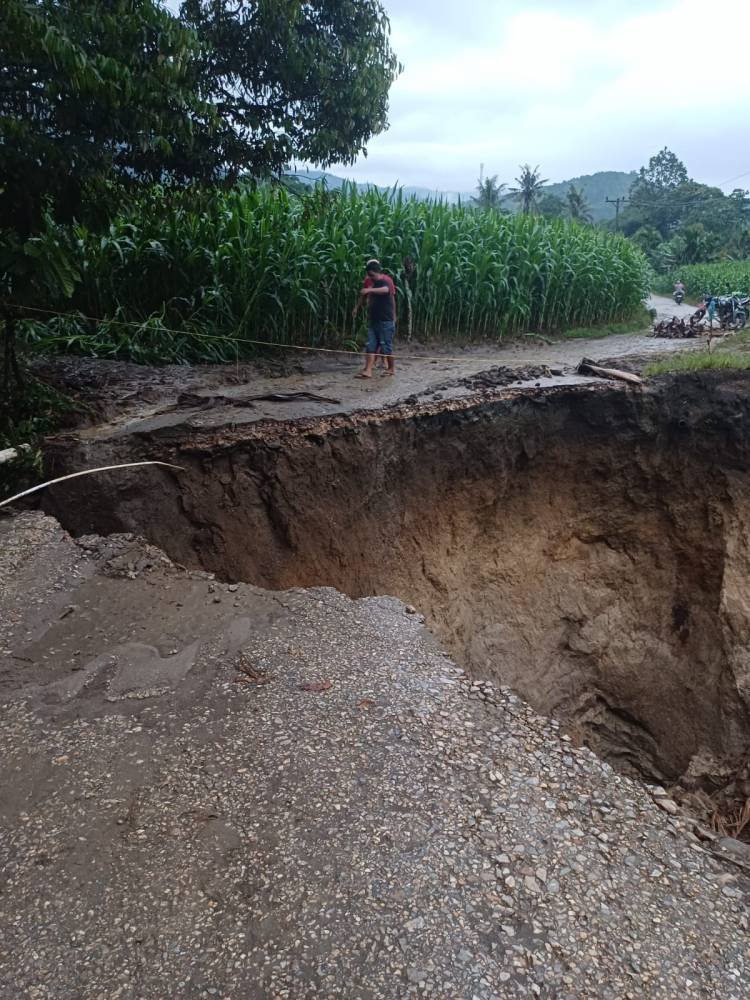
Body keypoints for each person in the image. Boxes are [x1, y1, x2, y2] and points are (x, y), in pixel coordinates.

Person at [352, 259, 396, 379]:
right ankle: (368, 370)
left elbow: (386, 291)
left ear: (377, 272)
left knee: (386, 346)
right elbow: (364, 295)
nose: (370, 278)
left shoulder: (386, 281)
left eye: (371, 275)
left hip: (386, 320)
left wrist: (370, 289)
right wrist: (357, 307)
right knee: (370, 345)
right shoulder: (369, 281)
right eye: (369, 275)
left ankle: (391, 368)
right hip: (373, 319)